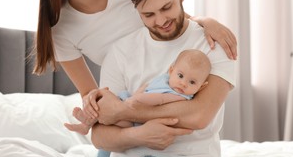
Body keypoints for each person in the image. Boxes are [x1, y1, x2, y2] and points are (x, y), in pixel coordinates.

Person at [33, 0, 237, 157]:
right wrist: (105, 120)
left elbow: (167, 12)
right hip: (127, 104)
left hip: (165, 86)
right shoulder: (61, 30)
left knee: (180, 155)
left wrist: (205, 20)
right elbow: (95, 95)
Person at [64, 0, 236, 157]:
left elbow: (199, 115)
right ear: (136, 10)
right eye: (149, 14)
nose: (161, 21)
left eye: (167, 8)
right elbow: (100, 136)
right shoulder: (120, 52)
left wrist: (124, 110)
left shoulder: (212, 41)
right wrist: (139, 134)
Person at [69, 49, 211, 135]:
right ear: (171, 70)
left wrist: (135, 100)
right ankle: (86, 124)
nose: (183, 83)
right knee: (104, 97)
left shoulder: (180, 96)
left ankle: (87, 124)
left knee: (117, 120)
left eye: (192, 82)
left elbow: (160, 100)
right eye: (180, 76)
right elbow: (146, 85)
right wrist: (135, 95)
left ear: (201, 87)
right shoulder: (166, 79)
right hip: (132, 100)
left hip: (137, 119)